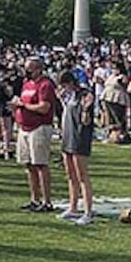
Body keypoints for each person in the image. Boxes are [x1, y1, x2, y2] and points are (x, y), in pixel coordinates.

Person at [14, 56, 56, 213]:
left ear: (38, 69)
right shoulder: (26, 84)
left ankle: (47, 201)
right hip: (24, 127)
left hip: (39, 127)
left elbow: (44, 107)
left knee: (40, 164)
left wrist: (25, 106)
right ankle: (34, 198)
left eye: (29, 69)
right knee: (28, 165)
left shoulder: (45, 85)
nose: (27, 72)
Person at [57, 70, 95, 224]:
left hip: (79, 138)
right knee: (70, 175)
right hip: (67, 137)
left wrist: (86, 109)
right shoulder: (67, 96)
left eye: (65, 85)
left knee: (82, 176)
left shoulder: (84, 95)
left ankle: (87, 211)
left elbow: (86, 121)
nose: (63, 88)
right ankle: (72, 207)